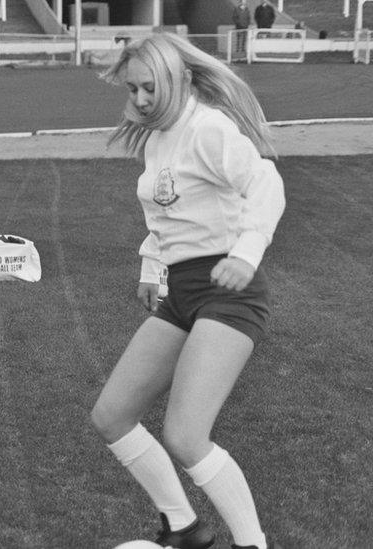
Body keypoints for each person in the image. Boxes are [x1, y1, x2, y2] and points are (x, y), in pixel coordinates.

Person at [93, 33, 285, 549]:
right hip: (182, 292)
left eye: (148, 88)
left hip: (229, 294)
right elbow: (165, 216)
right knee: (111, 416)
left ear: (178, 79)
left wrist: (245, 254)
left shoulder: (208, 129)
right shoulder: (157, 137)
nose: (138, 100)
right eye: (131, 89)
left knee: (185, 435)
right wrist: (152, 268)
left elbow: (266, 183)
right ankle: (184, 529)